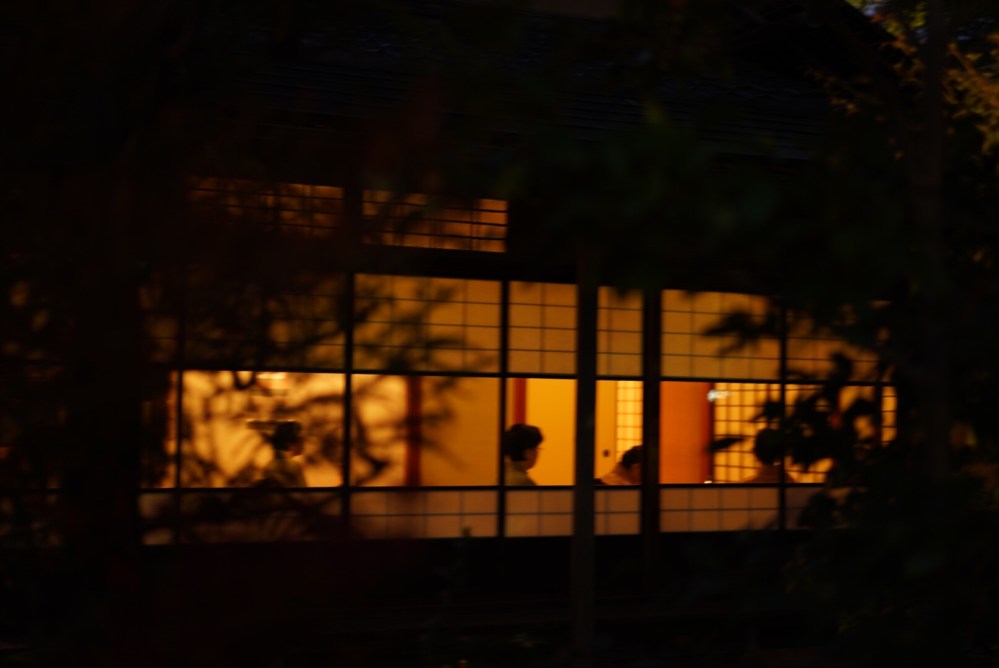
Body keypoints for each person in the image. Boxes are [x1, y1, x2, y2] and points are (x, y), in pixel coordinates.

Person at [260, 420, 307, 487]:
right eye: (300, 439)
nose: (303, 444)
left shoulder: (268, 466)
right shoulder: (292, 467)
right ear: (289, 443)